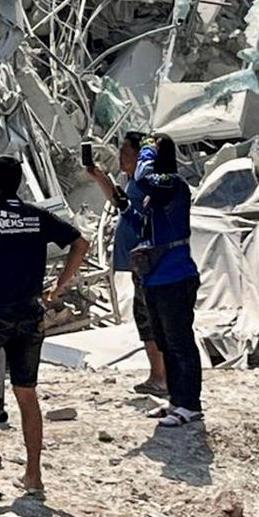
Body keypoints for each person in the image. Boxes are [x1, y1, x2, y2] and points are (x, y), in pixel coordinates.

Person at [0, 156, 86, 493]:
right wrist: (59, 285)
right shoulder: (35, 213)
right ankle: (33, 475)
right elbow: (80, 242)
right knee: (26, 392)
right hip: (30, 311)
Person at [83, 131, 167, 397]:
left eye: (126, 153)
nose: (121, 158)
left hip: (148, 262)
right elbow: (121, 204)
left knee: (149, 320)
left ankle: (160, 377)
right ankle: (160, 375)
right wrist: (99, 177)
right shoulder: (134, 181)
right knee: (148, 318)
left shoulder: (146, 182)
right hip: (141, 262)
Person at [132, 135, 204, 426]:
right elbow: (140, 223)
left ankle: (190, 404)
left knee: (180, 342)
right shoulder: (155, 196)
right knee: (164, 342)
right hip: (154, 277)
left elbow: (142, 177)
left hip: (175, 275)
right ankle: (176, 399)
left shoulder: (173, 183)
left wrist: (148, 150)